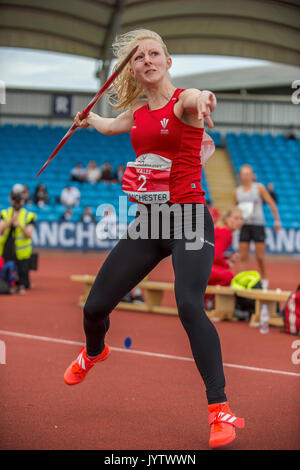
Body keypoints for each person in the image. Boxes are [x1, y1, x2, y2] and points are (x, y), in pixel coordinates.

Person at [63, 29, 244, 449]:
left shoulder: (184, 100)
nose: (147, 60)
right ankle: (94, 352)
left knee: (188, 305)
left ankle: (219, 410)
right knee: (95, 307)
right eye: (139, 57)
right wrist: (87, 119)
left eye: (154, 53)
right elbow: (110, 126)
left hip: (189, 220)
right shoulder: (139, 113)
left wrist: (205, 101)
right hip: (148, 223)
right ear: (134, 69)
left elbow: (197, 97)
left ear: (167, 60)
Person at [234, 164, 281, 289]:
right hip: (244, 225)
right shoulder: (237, 191)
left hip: (258, 225)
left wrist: (277, 220)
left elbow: (271, 203)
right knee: (243, 256)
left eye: (248, 174)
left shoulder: (259, 188)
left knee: (259, 256)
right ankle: (243, 279)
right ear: (240, 176)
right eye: (244, 174)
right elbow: (235, 209)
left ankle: (264, 278)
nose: (246, 176)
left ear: (252, 175)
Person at [0, 189, 36, 293]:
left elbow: (29, 234)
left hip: (21, 253)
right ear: (11, 201)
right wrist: (11, 220)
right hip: (5, 251)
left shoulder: (29, 215)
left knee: (24, 283)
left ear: (23, 201)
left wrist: (19, 225)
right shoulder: (5, 213)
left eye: (19, 200)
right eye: (14, 199)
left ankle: (21, 284)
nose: (16, 202)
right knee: (5, 277)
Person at [208, 207, 243, 287]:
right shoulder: (225, 233)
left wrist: (227, 257)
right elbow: (216, 257)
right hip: (200, 269)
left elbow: (212, 253)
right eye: (236, 218)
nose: (240, 222)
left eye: (241, 219)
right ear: (227, 219)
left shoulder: (220, 229)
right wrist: (227, 264)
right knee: (228, 276)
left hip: (194, 266)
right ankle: (208, 298)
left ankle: (206, 296)